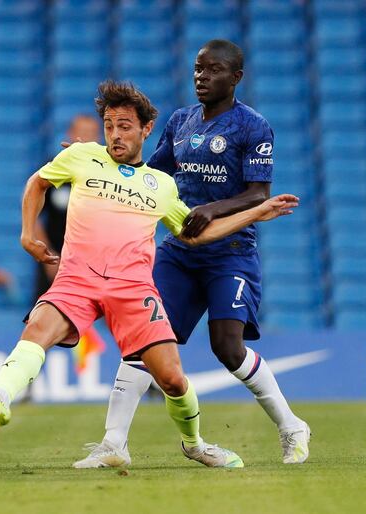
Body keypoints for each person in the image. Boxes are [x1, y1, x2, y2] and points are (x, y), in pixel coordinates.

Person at [0, 80, 299, 469]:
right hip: (77, 277)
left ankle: (194, 443)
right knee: (38, 327)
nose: (115, 134)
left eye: (124, 126)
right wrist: (27, 233)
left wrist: (257, 212)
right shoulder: (83, 155)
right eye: (109, 125)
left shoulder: (162, 185)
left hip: (134, 288)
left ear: (146, 130)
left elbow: (195, 235)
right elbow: (38, 182)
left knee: (172, 380)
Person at [75, 40, 311, 469]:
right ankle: (112, 443)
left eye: (214, 70)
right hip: (180, 251)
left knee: (227, 347)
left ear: (236, 78)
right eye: (198, 69)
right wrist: (98, 165)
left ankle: (292, 426)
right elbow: (152, 174)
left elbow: (259, 193)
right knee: (143, 340)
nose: (202, 77)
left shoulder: (253, 127)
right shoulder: (182, 121)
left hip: (231, 251)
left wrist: (211, 209)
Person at [33, 114, 101, 299]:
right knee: (42, 318)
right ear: (70, 134)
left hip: (92, 263)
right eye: (82, 133)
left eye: (91, 134)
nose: (85, 139)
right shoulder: (54, 169)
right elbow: (34, 217)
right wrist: (50, 257)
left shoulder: (107, 176)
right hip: (55, 259)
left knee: (89, 320)